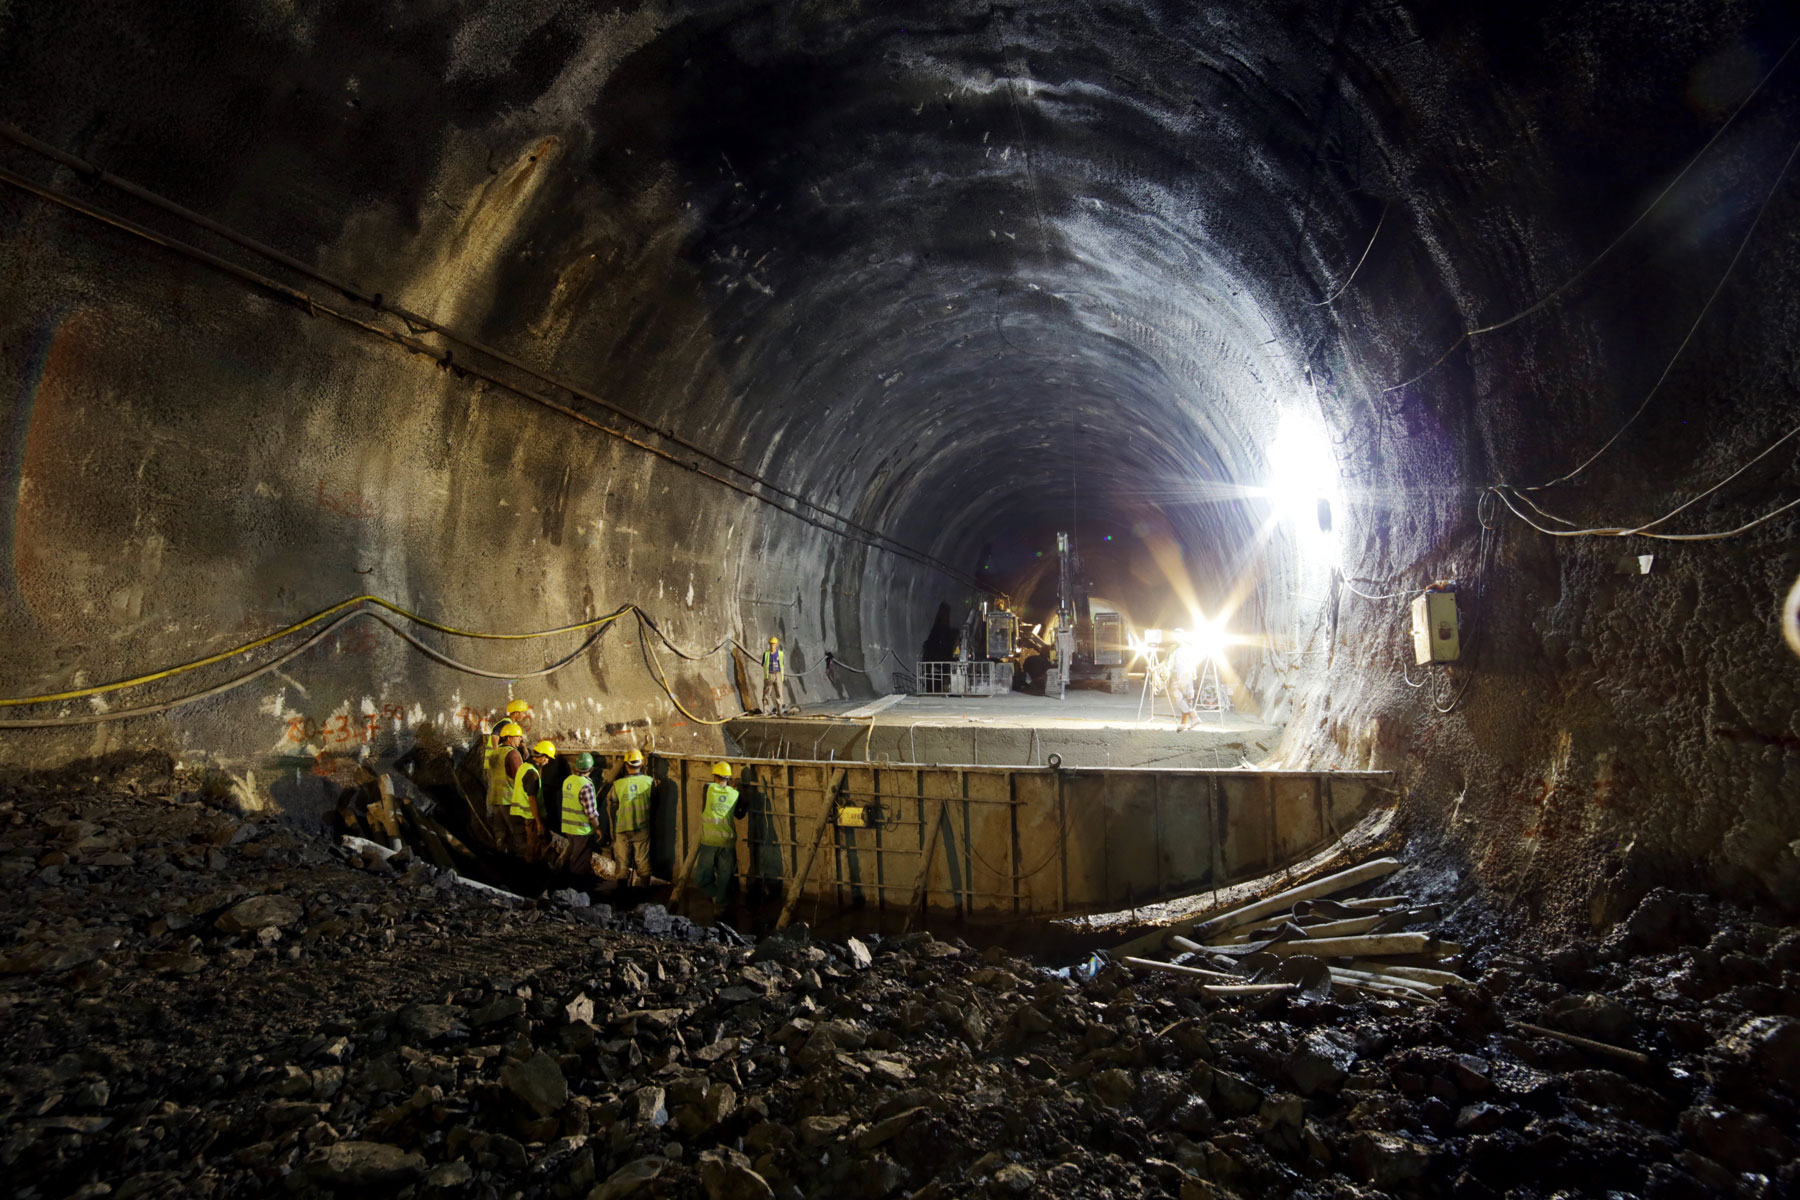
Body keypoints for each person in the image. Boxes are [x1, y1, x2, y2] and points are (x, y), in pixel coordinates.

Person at [693, 761, 744, 907]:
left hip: (709, 842)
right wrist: (737, 789)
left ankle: (715, 896)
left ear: (715, 776)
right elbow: (740, 814)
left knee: (701, 878)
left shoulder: (708, 788)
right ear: (728, 778)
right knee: (725, 880)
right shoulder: (735, 794)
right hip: (727, 843)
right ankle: (721, 904)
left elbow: (706, 802)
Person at [609, 748, 656, 885]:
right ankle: (644, 892)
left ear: (626, 765)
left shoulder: (618, 784)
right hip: (642, 827)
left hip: (622, 828)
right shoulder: (649, 782)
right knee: (643, 861)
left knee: (622, 862)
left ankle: (622, 893)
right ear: (641, 763)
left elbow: (613, 805)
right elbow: (654, 802)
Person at [506, 739, 556, 860]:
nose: (548, 762)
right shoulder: (532, 773)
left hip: (519, 812)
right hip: (530, 816)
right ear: (543, 757)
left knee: (527, 845)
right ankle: (532, 868)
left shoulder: (524, 766)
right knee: (533, 847)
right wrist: (539, 823)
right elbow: (532, 799)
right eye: (548, 758)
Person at [556, 752, 602, 876]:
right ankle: (576, 884)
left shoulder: (568, 781)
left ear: (575, 767)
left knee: (574, 856)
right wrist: (598, 828)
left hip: (568, 827)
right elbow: (591, 814)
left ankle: (568, 878)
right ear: (591, 769)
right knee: (579, 861)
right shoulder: (586, 786)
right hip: (582, 830)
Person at [760, 636, 786, 714]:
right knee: (767, 693)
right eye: (771, 644)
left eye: (774, 644)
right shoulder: (766, 654)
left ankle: (779, 710)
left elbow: (782, 664)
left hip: (778, 674)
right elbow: (763, 664)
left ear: (776, 645)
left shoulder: (780, 654)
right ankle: (766, 711)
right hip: (769, 675)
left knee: (779, 693)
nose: (772, 646)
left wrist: (781, 676)